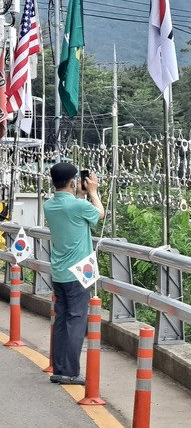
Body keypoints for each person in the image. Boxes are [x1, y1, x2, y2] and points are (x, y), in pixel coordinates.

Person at [44, 163, 104, 385]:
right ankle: (70, 372)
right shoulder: (79, 207)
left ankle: (60, 369)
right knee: (76, 321)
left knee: (61, 320)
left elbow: (73, 210)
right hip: (79, 273)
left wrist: (79, 194)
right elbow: (99, 213)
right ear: (72, 182)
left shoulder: (49, 205)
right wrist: (94, 192)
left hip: (59, 272)